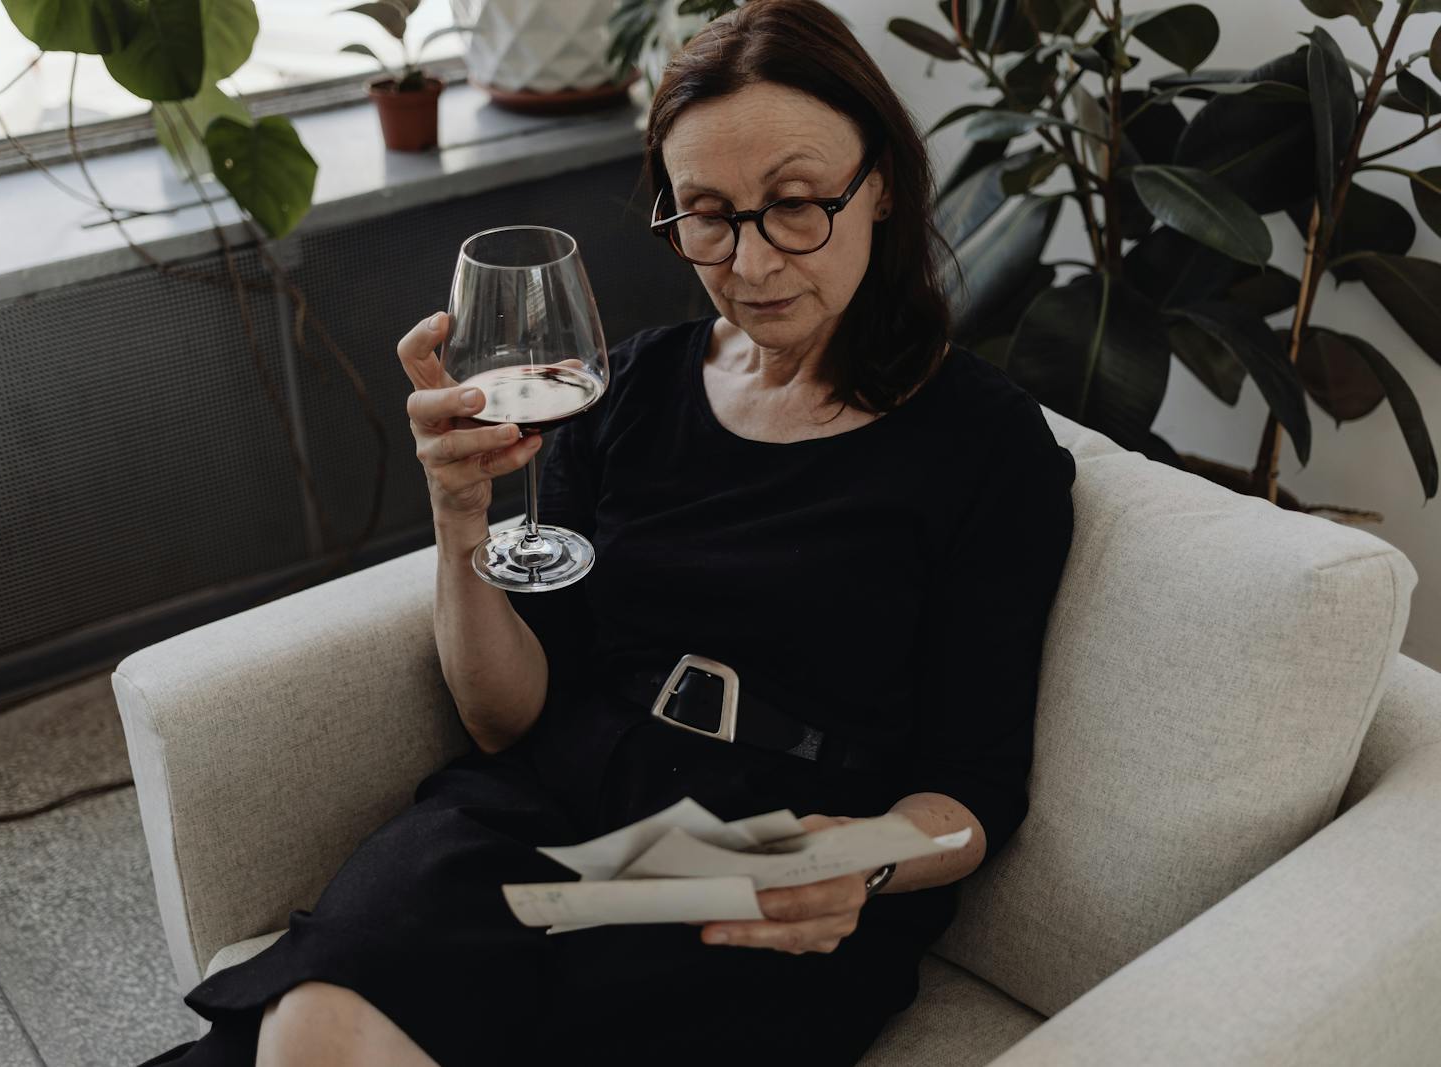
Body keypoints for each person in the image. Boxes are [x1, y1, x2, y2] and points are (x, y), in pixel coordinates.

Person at [137, 0, 1076, 1063]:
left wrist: (856, 857)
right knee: (319, 1017)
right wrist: (458, 522)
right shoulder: (631, 386)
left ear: (884, 185)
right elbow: (505, 719)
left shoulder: (985, 445)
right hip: (554, 793)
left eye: (799, 203)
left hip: (766, 849)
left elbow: (976, 788)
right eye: (707, 215)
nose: (753, 263)